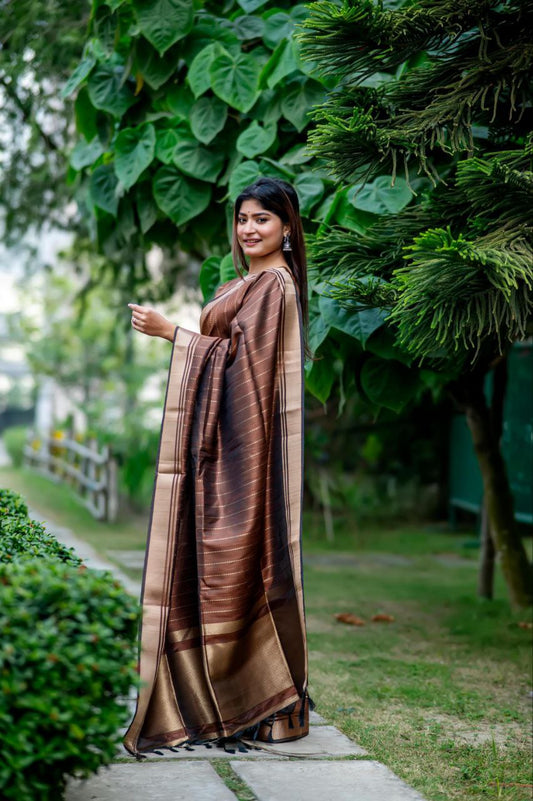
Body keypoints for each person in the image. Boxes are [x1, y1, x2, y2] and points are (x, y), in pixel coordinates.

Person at [124, 177, 310, 755]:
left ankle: (260, 703)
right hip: (224, 449)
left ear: (287, 227)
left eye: (263, 220)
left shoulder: (274, 284)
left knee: (239, 561)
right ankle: (228, 701)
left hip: (244, 457)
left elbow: (243, 370)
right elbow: (229, 353)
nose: (250, 229)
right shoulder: (247, 282)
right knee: (213, 563)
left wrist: (171, 334)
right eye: (243, 219)